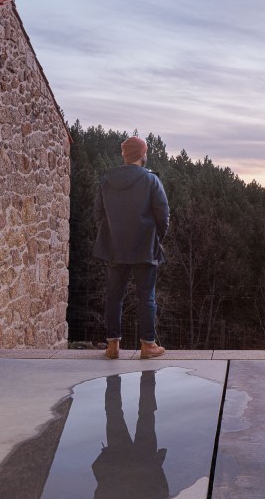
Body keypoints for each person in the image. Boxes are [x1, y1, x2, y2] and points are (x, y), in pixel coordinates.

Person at [93, 133, 170, 360]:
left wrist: (111, 234)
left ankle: (112, 346)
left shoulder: (107, 180)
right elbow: (163, 217)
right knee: (146, 297)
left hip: (115, 248)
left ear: (125, 156)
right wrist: (156, 238)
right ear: (142, 154)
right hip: (144, 248)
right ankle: (148, 346)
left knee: (114, 297)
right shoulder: (151, 180)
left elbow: (98, 213)